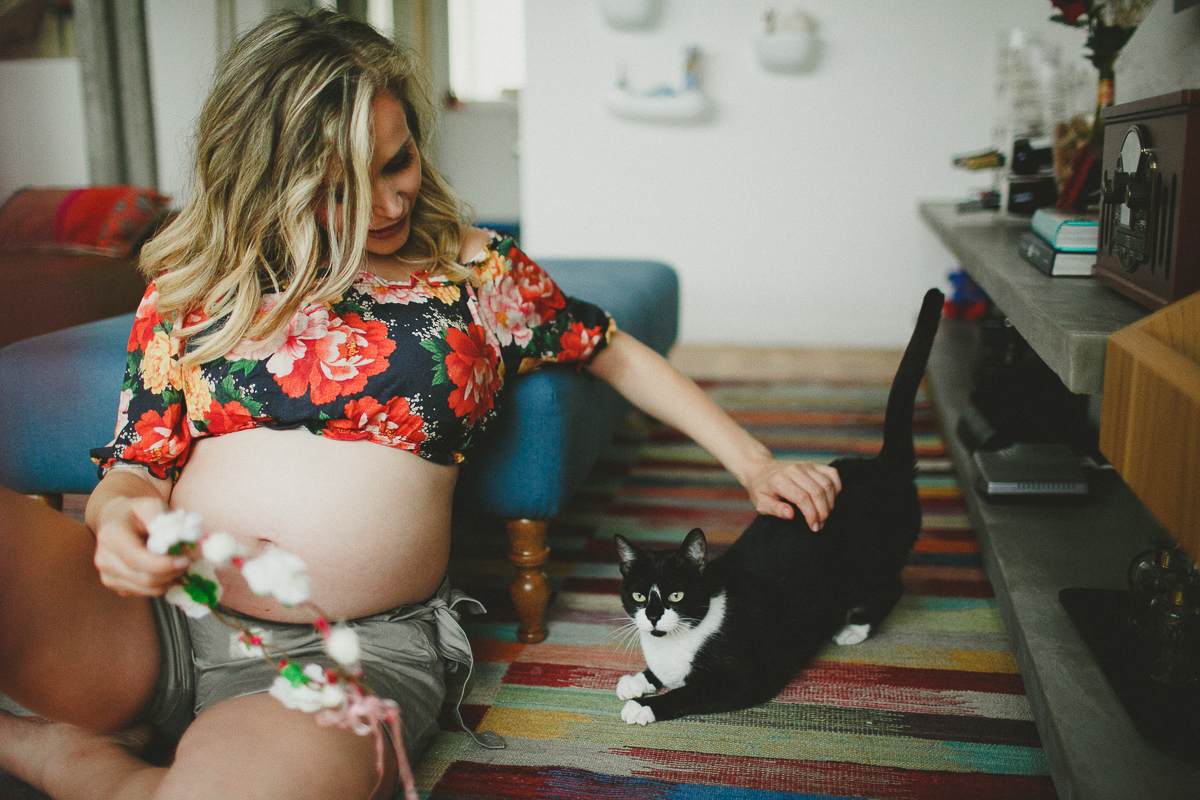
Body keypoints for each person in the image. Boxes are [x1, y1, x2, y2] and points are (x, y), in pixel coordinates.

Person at [0, 9, 840, 800]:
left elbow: (610, 348)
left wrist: (755, 462)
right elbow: (138, 464)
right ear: (270, 181)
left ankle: (75, 760)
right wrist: (118, 517)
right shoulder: (198, 287)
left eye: (397, 162)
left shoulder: (471, 271)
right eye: (343, 187)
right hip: (152, 624)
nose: (392, 201)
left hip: (350, 652)